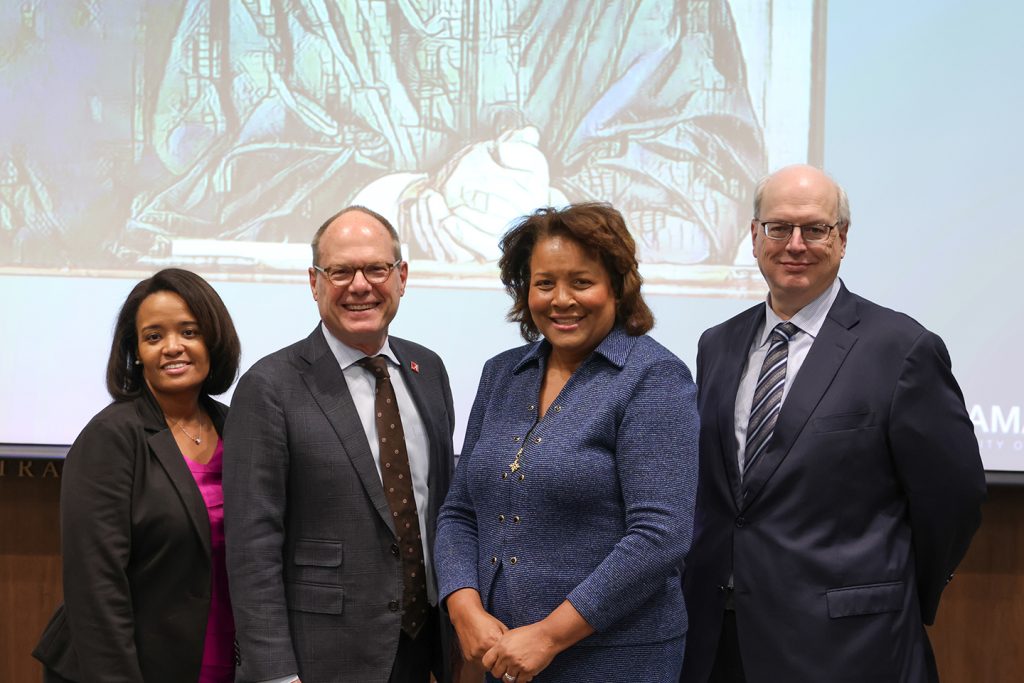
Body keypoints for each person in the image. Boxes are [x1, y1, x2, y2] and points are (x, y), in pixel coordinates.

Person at [680, 165, 987, 683]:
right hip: (720, 638)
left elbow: (953, 498)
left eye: (815, 229)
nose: (794, 244)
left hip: (848, 646)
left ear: (842, 239)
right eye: (778, 228)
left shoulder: (902, 348)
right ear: (755, 238)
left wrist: (891, 594)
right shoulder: (718, 343)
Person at [435, 203, 700, 682]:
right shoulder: (502, 373)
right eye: (544, 283)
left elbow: (661, 537)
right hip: (501, 657)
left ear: (618, 286)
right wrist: (462, 605)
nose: (561, 299)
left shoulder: (654, 377)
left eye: (581, 282)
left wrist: (548, 636)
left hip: (614, 659)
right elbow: (460, 512)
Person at [223, 206, 456, 683]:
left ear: (402, 276)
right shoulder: (270, 386)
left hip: (424, 646)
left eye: (376, 268)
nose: (360, 285)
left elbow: (443, 510)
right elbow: (252, 547)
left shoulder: (427, 370)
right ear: (314, 283)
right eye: (340, 271)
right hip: (321, 657)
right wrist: (274, 673)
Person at [32, 268, 242, 683]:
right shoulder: (110, 438)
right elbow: (96, 586)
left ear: (212, 340)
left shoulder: (238, 429)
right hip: (128, 666)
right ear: (136, 352)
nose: (172, 348)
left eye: (189, 331)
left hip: (221, 656)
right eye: (153, 337)